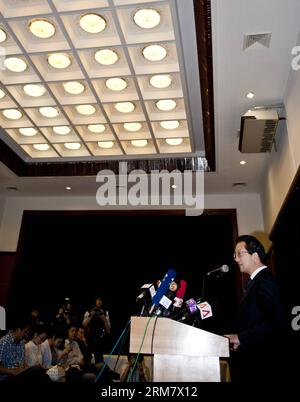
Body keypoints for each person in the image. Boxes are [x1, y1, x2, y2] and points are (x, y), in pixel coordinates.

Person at [225, 235, 287, 383]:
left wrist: (241, 338)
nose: (236, 259)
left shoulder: (265, 282)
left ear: (255, 256)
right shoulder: (256, 282)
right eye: (235, 255)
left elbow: (276, 322)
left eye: (239, 253)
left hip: (263, 366)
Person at [82, 297, 111, 364]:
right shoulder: (89, 311)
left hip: (100, 340)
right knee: (89, 360)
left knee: (99, 360)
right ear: (95, 301)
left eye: (101, 300)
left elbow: (109, 330)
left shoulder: (105, 312)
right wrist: (91, 316)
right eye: (98, 300)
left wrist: (104, 319)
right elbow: (84, 325)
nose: (99, 301)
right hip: (90, 340)